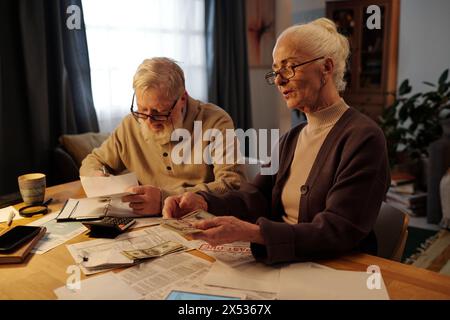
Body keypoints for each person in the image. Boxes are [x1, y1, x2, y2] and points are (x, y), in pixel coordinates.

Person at [163, 18, 390, 264]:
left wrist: (256, 233)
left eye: (289, 67)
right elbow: (255, 196)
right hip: (288, 262)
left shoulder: (364, 137)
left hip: (337, 267)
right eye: (276, 71)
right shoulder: (291, 138)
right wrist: (203, 200)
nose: (279, 81)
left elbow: (338, 229)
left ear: (326, 67)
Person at [80, 57, 245, 216]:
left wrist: (164, 198)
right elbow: (91, 163)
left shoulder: (216, 121)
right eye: (142, 109)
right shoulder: (131, 124)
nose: (149, 121)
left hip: (200, 218)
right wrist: (99, 177)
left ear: (182, 98)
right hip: (145, 224)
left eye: (159, 112)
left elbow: (232, 184)